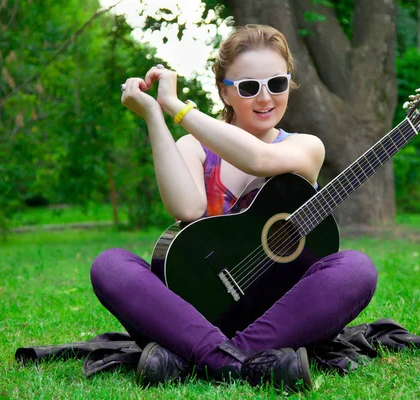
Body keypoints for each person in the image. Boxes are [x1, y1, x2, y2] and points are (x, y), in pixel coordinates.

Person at [90, 24, 378, 392]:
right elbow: (188, 209)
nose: (265, 98)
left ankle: (200, 358)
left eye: (276, 83)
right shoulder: (194, 148)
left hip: (279, 317)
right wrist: (154, 115)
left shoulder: (306, 147)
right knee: (111, 265)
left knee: (356, 269)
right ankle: (247, 361)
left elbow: (260, 158)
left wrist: (178, 106)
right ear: (224, 93)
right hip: (194, 314)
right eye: (248, 87)